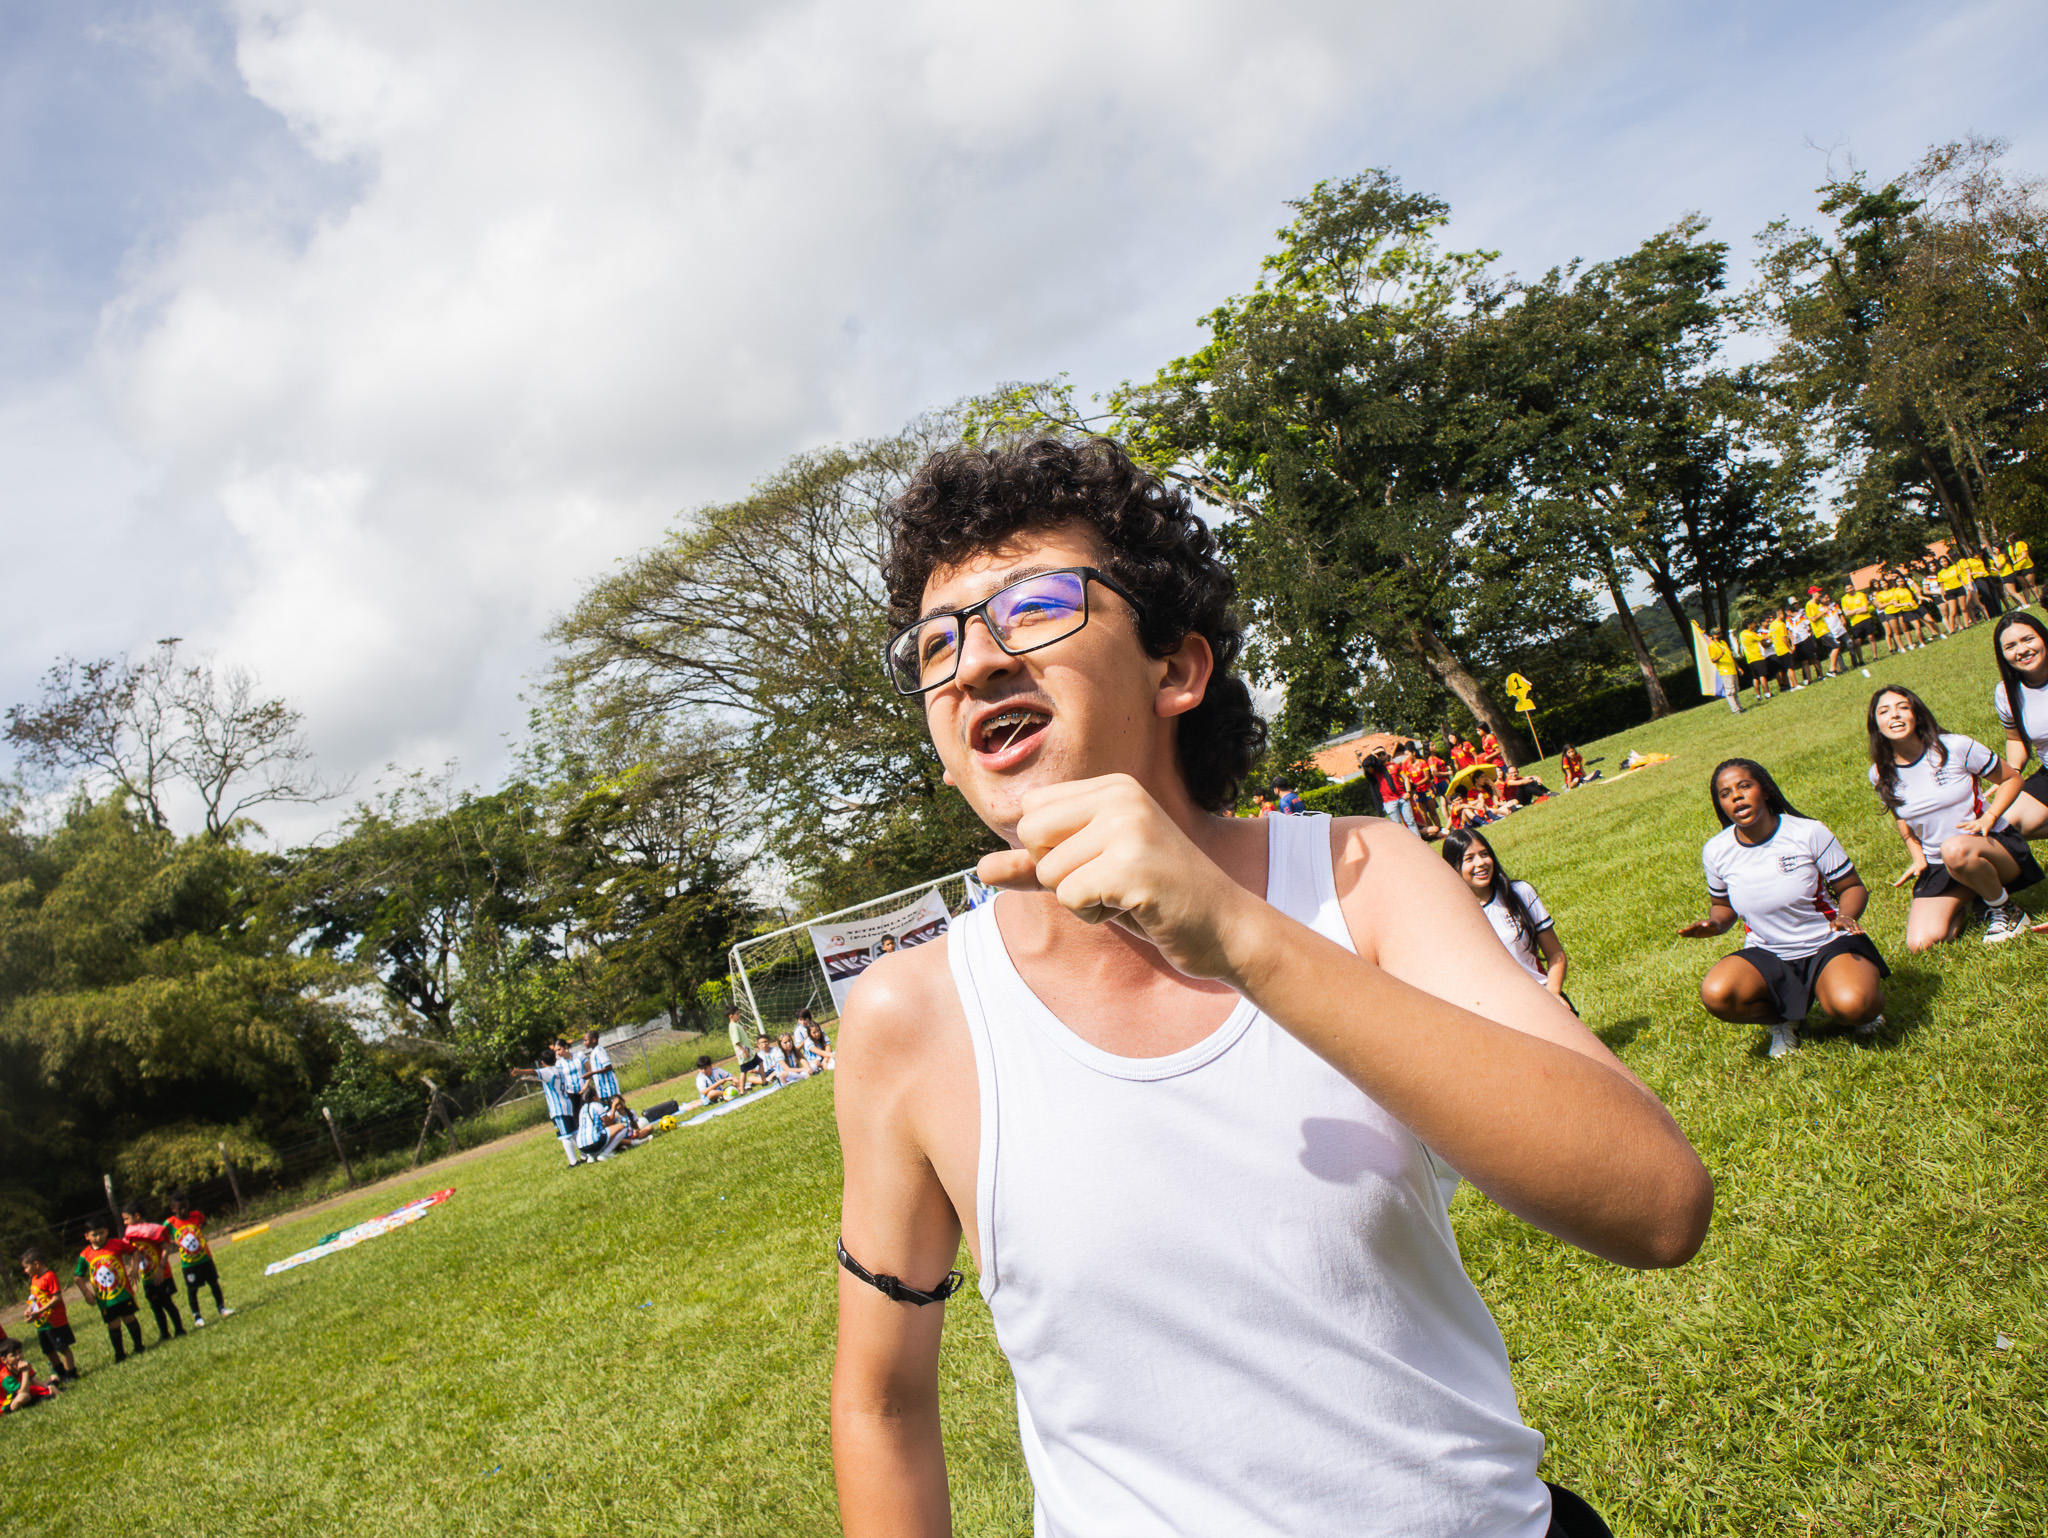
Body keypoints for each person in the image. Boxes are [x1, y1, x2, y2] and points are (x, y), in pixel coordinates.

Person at [836, 435, 1709, 1538]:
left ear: (1175, 669)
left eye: (1036, 606)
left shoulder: (1360, 876)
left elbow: (1657, 1206)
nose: (974, 662)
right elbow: (881, 1397)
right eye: (936, 642)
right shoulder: (908, 1017)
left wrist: (1240, 937)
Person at [1677, 759, 1887, 1058]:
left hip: (1827, 943)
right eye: (1725, 793)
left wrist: (1846, 915)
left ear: (1765, 790)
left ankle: (1861, 1005)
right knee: (1717, 993)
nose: (1736, 796)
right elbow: (1722, 908)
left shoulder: (1807, 832)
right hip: (1769, 954)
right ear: (1720, 804)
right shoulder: (1716, 850)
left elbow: (1852, 887)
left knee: (1852, 1005)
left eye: (1744, 786)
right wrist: (1713, 924)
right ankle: (1784, 1020)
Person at [1867, 686, 2040, 949]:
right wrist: (1917, 856)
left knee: (1954, 848)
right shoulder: (1879, 773)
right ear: (1876, 725)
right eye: (1884, 711)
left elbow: (2011, 779)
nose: (1895, 716)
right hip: (1941, 863)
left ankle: (2007, 911)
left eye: (1903, 707)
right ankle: (1976, 894)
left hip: (1991, 845)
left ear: (1917, 714)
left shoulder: (1955, 746)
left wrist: (1990, 817)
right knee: (1921, 944)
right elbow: (1901, 818)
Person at [1442, 828, 1568, 1000]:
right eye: (1469, 858)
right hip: (1498, 1014)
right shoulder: (1450, 917)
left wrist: (1553, 994)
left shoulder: (1520, 893)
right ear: (1453, 867)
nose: (1481, 863)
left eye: (1484, 854)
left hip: (1543, 1000)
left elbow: (1556, 954)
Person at [1992, 612, 2048, 843]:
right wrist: (2011, 774)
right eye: (2010, 646)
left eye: (2028, 639)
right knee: (2003, 823)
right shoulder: (2006, 692)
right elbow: (2015, 738)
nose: (2022, 650)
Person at [73, 1223, 146, 1362]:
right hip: (105, 1298)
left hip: (123, 1293)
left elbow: (134, 1251)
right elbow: (78, 1276)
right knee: (113, 1324)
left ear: (106, 1231)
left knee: (129, 1318)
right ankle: (120, 1355)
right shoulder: (85, 1255)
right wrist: (86, 1293)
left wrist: (135, 1268)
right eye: (94, 1234)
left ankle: (139, 1347)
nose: (98, 1237)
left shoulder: (116, 1244)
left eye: (101, 1233)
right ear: (87, 1236)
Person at [162, 1196, 233, 1324]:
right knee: (192, 1289)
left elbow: (202, 1223)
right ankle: (197, 1316)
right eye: (180, 1209)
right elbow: (161, 1236)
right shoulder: (170, 1223)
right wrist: (175, 1242)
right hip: (188, 1263)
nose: (184, 1211)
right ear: (173, 1209)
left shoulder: (196, 1215)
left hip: (205, 1257)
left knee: (214, 1283)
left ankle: (221, 1308)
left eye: (185, 1206)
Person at [121, 1209, 187, 1342]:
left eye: (127, 1219)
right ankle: (164, 1334)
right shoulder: (131, 1234)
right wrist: (134, 1269)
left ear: (137, 1215)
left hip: (162, 1275)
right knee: (155, 1306)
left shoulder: (152, 1231)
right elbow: (134, 1252)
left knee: (167, 1303)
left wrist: (161, 1267)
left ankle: (179, 1329)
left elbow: (166, 1248)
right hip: (147, 1277)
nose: (124, 1222)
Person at [515, 1045, 585, 1168]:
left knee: (565, 1136)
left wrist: (519, 1071)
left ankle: (573, 1162)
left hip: (558, 1109)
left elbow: (533, 1072)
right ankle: (584, 1155)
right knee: (574, 1132)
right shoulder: (559, 1070)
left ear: (542, 1062)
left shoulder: (547, 1072)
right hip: (567, 1104)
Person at [18, 1250, 79, 1381]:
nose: (25, 1271)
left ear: (36, 1264)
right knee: (48, 1351)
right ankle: (62, 1375)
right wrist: (29, 1310)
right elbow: (34, 1300)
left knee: (63, 1348)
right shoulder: (34, 1279)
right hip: (42, 1324)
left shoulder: (49, 1276)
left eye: (26, 1267)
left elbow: (56, 1297)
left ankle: (71, 1374)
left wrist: (39, 1312)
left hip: (55, 1321)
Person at [0, 1340, 60, 1413]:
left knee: (54, 1377)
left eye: (20, 1352)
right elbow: (22, 1392)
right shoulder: (5, 1376)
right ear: (4, 1360)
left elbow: (36, 1382)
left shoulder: (23, 1365)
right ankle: (8, 1411)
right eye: (13, 1355)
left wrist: (47, 1387)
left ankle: (42, 1396)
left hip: (25, 1392)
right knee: (24, 1397)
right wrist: (25, 1371)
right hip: (7, 1402)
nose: (18, 1356)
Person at [1704, 630, 1742, 713]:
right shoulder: (1712, 645)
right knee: (1730, 691)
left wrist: (1738, 667)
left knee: (1735, 689)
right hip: (1724, 671)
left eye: (1720, 633)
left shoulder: (1723, 643)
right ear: (1713, 635)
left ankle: (1739, 707)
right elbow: (1713, 660)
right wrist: (1720, 655)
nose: (1720, 634)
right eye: (1717, 633)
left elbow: (1730, 656)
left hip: (1732, 669)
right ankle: (1735, 710)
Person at [1737, 621, 1771, 703]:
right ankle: (1767, 693)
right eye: (1753, 623)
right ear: (1749, 625)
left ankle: (1758, 695)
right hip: (1757, 657)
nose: (1755, 625)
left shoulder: (1742, 634)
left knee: (1755, 677)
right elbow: (1763, 638)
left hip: (1749, 659)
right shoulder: (1750, 634)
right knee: (1762, 676)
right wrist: (1771, 633)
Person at [583, 1031, 622, 1101]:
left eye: (586, 1040)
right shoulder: (593, 1052)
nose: (584, 1043)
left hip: (609, 1089)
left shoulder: (599, 1050)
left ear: (593, 1040)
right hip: (602, 1090)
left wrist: (591, 1073)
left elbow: (608, 1067)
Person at [727, 1005, 763, 1079]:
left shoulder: (736, 1025)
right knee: (744, 1071)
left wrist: (742, 1029)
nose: (739, 1015)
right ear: (731, 1016)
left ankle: (764, 1081)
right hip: (744, 1052)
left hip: (748, 1051)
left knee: (760, 1062)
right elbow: (736, 1041)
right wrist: (744, 1051)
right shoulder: (733, 1026)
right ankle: (742, 1090)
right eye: (737, 1014)